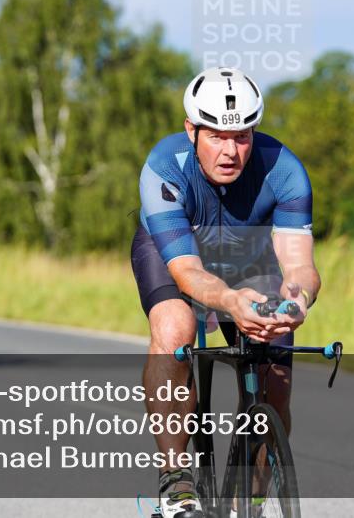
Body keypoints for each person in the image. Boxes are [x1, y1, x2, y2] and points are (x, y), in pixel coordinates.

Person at [132, 67, 321, 518]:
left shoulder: (285, 169)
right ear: (191, 130)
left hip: (251, 262)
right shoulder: (163, 166)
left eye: (241, 136)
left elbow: (299, 266)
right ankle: (176, 481)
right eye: (216, 136)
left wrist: (295, 300)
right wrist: (232, 302)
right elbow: (188, 273)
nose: (230, 150)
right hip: (177, 255)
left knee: (274, 373)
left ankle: (250, 498)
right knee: (175, 328)